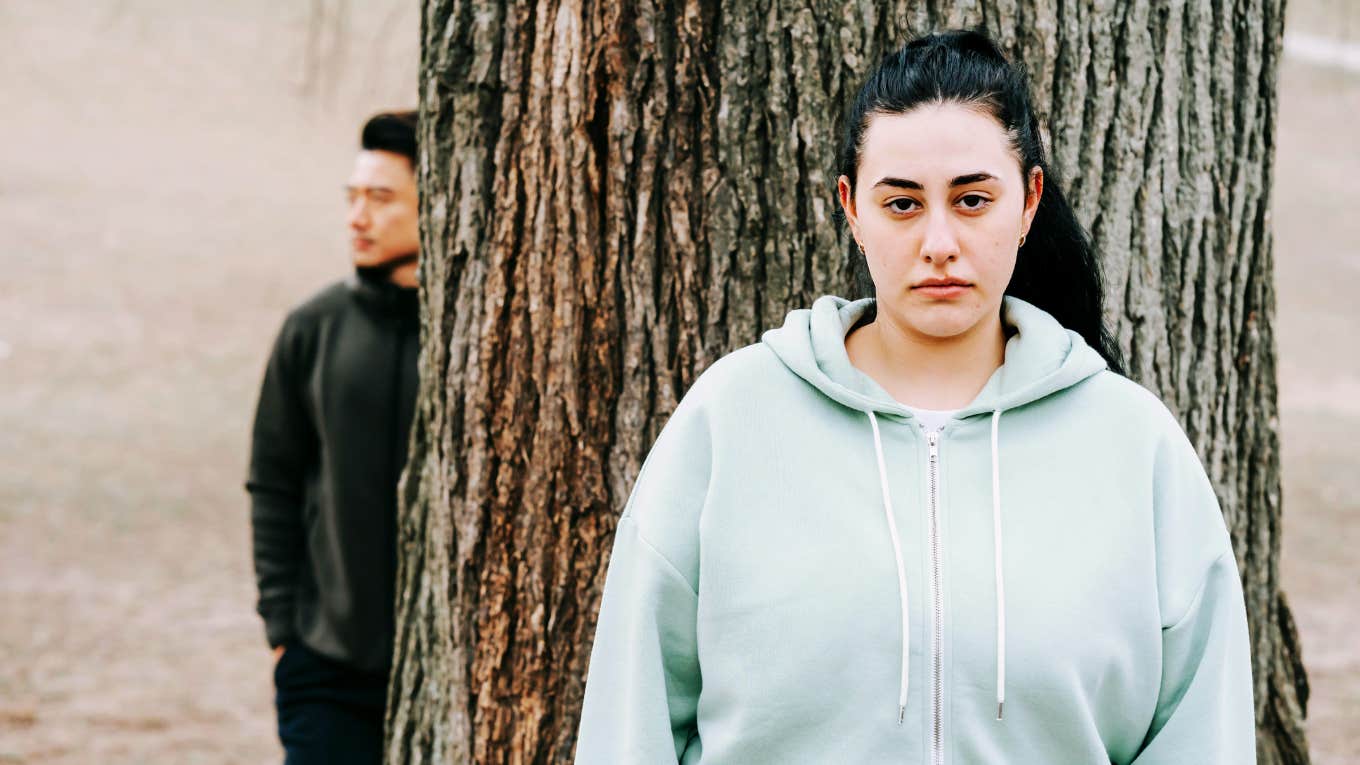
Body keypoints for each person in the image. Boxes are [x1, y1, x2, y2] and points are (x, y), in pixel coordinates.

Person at [575, 30, 1255, 764]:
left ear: (1027, 202)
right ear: (852, 208)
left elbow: (1200, 731)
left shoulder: (1133, 445)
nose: (939, 241)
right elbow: (630, 721)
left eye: (972, 199)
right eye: (902, 204)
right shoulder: (730, 422)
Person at [246, 110, 420, 764]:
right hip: (328, 670)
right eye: (353, 198)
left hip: (447, 669)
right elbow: (274, 479)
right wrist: (283, 628)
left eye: (380, 198)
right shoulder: (311, 329)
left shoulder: (474, 340)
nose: (357, 217)